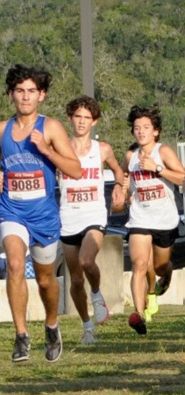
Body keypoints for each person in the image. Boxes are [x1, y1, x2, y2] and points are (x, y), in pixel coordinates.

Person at [0, 64, 81, 363]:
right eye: (19, 91)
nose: (25, 97)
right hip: (12, 209)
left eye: (31, 92)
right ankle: (21, 335)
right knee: (14, 264)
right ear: (11, 94)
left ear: (41, 95)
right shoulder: (1, 129)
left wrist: (47, 151)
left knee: (45, 280)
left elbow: (75, 169)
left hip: (44, 214)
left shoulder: (50, 128)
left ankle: (51, 325)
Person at [59, 95, 125, 344]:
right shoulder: (60, 147)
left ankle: (97, 295)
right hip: (68, 216)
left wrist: (119, 186)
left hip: (94, 214)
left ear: (94, 121)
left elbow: (118, 170)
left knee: (87, 261)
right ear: (70, 118)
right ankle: (87, 328)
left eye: (87, 118)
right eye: (78, 117)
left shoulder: (102, 149)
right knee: (75, 280)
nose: (82, 122)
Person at [117, 105, 185, 334]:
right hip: (139, 218)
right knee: (139, 264)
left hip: (165, 220)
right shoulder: (131, 155)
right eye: (137, 128)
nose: (141, 132)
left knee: (159, 266)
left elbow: (182, 178)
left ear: (155, 131)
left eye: (146, 127)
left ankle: (165, 277)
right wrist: (123, 191)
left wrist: (157, 169)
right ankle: (139, 315)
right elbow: (123, 176)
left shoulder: (163, 152)